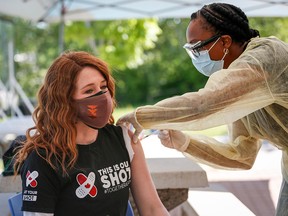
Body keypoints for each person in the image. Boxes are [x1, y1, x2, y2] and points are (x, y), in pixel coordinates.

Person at [116, 3, 288, 215]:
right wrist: (185, 143)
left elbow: (203, 104)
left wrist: (142, 116)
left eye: (197, 47)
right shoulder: (241, 88)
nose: (195, 55)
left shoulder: (266, 59)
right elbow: (242, 155)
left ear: (225, 41)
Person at [13, 51, 169, 216]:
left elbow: (153, 209)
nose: (102, 96)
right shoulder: (44, 159)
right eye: (89, 91)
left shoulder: (123, 139)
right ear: (65, 101)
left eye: (103, 87)